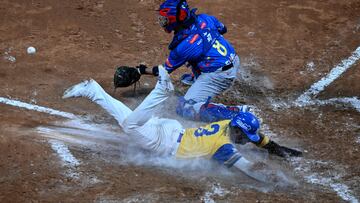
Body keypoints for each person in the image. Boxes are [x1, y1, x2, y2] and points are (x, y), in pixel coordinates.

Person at [63, 65, 302, 183]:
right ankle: (160, 91)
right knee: (131, 125)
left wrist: (288, 153)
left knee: (129, 119)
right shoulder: (224, 148)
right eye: (244, 137)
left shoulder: (228, 122)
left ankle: (92, 90)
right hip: (163, 143)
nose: (245, 141)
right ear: (238, 130)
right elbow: (249, 169)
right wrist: (280, 182)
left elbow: (264, 142)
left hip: (171, 130)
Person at [150, 0, 249, 123]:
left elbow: (163, 70)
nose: (163, 22)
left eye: (166, 19)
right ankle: (200, 76)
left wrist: (140, 70)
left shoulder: (184, 46)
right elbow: (223, 29)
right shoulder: (204, 18)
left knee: (185, 108)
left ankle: (236, 112)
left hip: (220, 76)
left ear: (175, 19)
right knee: (201, 53)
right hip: (232, 58)